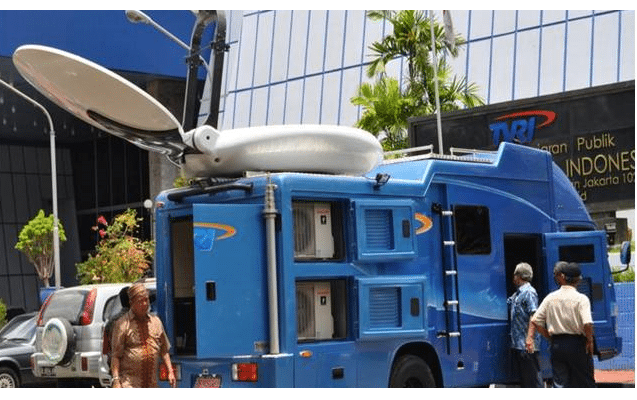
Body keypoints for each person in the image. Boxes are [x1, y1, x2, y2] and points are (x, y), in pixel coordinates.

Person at [527, 261, 595, 388]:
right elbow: (587, 323)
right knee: (584, 382)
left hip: (557, 345)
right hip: (577, 345)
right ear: (578, 280)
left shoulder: (550, 298)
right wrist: (589, 340)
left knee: (560, 383)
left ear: (563, 277)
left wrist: (548, 336)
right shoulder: (581, 299)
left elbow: (535, 321)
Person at [110, 283, 176, 388]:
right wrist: (116, 380)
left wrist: (170, 371)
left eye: (146, 300)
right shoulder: (122, 324)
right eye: (140, 301)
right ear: (131, 303)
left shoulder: (156, 322)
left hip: (151, 384)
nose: (145, 304)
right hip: (129, 384)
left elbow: (164, 350)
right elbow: (116, 356)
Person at [507, 262, 543, 387]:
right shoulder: (518, 294)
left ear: (519, 276)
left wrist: (529, 338)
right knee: (526, 379)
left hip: (526, 344)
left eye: (514, 275)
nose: (513, 278)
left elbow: (534, 315)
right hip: (519, 344)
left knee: (533, 379)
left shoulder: (529, 292)